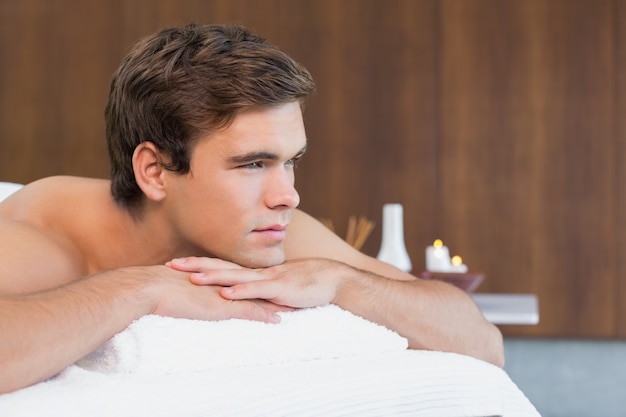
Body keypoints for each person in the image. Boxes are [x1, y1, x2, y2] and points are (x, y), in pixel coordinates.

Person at [0, 23, 503, 394]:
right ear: (154, 171)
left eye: (291, 162)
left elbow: (482, 343)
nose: (288, 195)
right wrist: (141, 286)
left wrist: (343, 280)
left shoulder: (274, 233)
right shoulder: (48, 236)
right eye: (253, 164)